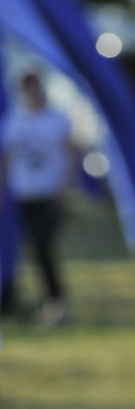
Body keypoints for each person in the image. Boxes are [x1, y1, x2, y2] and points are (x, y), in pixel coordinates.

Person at [0, 71, 76, 327]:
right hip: (23, 194)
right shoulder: (14, 121)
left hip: (49, 193)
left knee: (43, 247)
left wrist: (64, 188)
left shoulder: (56, 119)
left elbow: (69, 154)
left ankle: (56, 301)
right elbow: (8, 160)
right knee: (27, 250)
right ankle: (37, 300)